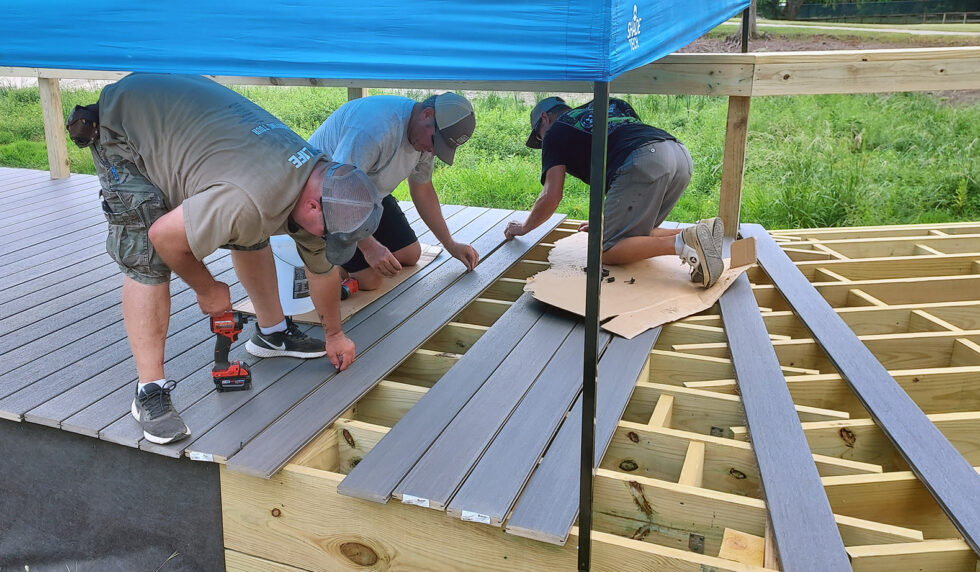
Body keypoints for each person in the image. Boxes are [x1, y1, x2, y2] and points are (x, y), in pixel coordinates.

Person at [67, 73, 382, 445]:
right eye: (327, 234)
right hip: (126, 123)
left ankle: (272, 334)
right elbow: (164, 236)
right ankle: (148, 390)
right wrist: (208, 289)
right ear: (314, 204)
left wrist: (335, 334)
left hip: (191, 124)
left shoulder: (320, 181)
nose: (324, 241)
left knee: (253, 228)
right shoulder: (250, 199)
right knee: (147, 257)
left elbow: (322, 268)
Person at [504, 97, 725, 288]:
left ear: (545, 118)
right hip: (677, 154)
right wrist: (609, 223)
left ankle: (684, 243)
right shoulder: (608, 104)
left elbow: (551, 196)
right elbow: (621, 144)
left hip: (644, 161)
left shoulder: (555, 131)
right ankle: (701, 232)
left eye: (539, 137)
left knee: (606, 250)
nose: (543, 143)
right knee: (637, 235)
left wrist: (524, 228)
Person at [307, 92, 479, 290]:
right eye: (435, 142)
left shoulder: (424, 138)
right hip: (323, 199)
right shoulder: (373, 128)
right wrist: (369, 247)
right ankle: (322, 263)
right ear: (427, 114)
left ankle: (350, 257)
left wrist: (451, 244)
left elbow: (422, 190)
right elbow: (337, 191)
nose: (432, 151)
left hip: (367, 193)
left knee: (411, 254)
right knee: (370, 281)